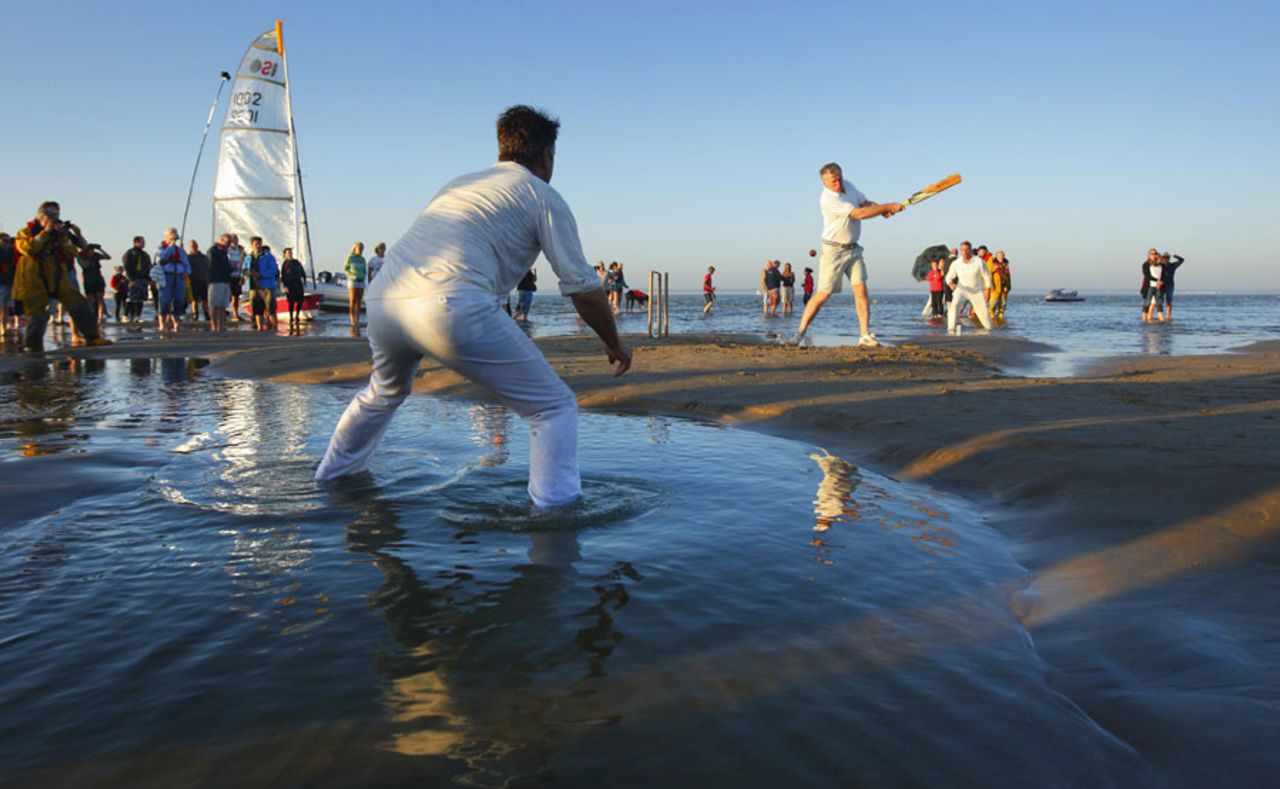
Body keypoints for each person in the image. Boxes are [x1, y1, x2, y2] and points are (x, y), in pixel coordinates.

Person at [315, 104, 632, 509]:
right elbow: (583, 287)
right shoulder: (542, 195)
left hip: (382, 301)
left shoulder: (459, 184)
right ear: (546, 155)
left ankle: (329, 480)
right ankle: (555, 520)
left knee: (383, 393)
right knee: (553, 408)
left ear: (502, 148)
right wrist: (614, 344)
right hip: (449, 304)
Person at [790, 162, 902, 348]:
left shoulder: (848, 186)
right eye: (833, 181)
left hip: (854, 249)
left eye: (839, 178)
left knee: (861, 290)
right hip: (833, 251)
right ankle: (799, 333)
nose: (838, 183)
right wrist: (886, 207)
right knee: (822, 294)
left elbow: (864, 204)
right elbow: (858, 214)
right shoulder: (828, 199)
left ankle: (864, 335)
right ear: (824, 183)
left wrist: (882, 209)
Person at [12, 201, 109, 351]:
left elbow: (72, 252)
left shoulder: (59, 235)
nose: (54, 218)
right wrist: (45, 233)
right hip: (33, 280)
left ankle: (93, 337)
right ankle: (33, 347)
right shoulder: (25, 233)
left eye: (56, 215)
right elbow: (29, 249)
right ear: (41, 217)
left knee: (79, 305)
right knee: (37, 315)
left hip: (58, 277)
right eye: (50, 215)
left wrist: (63, 236)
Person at [946, 241, 993, 333]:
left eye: (967, 249)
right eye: (962, 250)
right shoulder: (956, 263)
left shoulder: (979, 262)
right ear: (960, 251)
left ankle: (989, 331)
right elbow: (948, 277)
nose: (965, 252)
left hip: (977, 291)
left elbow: (987, 276)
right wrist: (951, 284)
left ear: (971, 250)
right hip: (961, 290)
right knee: (953, 308)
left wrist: (988, 290)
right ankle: (951, 330)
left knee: (984, 315)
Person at [154, 228, 190, 333]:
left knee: (179, 300)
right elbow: (161, 259)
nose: (174, 236)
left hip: (178, 276)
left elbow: (186, 263)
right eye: (172, 234)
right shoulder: (160, 248)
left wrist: (187, 272)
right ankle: (162, 323)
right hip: (166, 276)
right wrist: (171, 246)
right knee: (164, 300)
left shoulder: (180, 250)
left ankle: (176, 322)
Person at [77, 244, 110, 326]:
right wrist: (87, 256)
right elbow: (85, 265)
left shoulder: (96, 255)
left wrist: (100, 250)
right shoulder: (81, 256)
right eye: (91, 250)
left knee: (100, 299)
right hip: (88, 280)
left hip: (98, 279)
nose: (92, 251)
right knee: (90, 300)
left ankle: (100, 318)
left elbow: (108, 257)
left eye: (93, 250)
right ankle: (91, 317)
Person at [121, 235, 150, 323]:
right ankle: (125, 316)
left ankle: (138, 316)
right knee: (131, 298)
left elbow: (148, 266)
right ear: (136, 242)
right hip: (133, 278)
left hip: (143, 278)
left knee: (141, 298)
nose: (144, 243)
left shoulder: (145, 254)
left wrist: (149, 278)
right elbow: (126, 265)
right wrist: (130, 279)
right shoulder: (130, 252)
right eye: (142, 241)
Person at [208, 233, 233, 334]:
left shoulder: (224, 252)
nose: (229, 244)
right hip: (216, 281)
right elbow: (212, 266)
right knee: (215, 305)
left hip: (225, 280)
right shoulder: (213, 251)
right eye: (228, 242)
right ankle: (214, 326)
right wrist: (228, 267)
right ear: (221, 240)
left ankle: (221, 326)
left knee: (223, 306)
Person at [280, 246, 308, 329]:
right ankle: (291, 316)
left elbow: (302, 271)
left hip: (298, 283)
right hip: (289, 284)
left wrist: (304, 279)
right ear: (285, 255)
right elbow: (283, 276)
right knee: (291, 302)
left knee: (300, 300)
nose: (290, 254)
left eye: (290, 253)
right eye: (288, 253)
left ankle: (297, 316)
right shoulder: (285, 264)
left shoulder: (296, 262)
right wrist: (285, 286)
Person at [344, 242, 367, 327]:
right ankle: (352, 319)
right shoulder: (350, 258)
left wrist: (364, 277)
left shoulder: (362, 259)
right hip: (353, 281)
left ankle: (357, 319)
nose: (361, 250)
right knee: (353, 300)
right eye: (359, 248)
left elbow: (364, 270)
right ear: (355, 248)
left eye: (362, 248)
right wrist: (351, 274)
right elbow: (345, 268)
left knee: (359, 301)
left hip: (361, 281)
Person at [187, 239, 210, 322]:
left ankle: (206, 314)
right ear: (189, 247)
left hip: (203, 281)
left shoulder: (204, 257)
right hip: (193, 281)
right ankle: (195, 315)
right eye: (192, 246)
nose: (194, 247)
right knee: (194, 300)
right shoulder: (188, 258)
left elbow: (208, 268)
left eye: (195, 245)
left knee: (205, 299)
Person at [1141, 248, 1164, 322]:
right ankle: (1144, 320)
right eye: (1152, 254)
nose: (1153, 255)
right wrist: (1157, 281)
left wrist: (1161, 282)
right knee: (1147, 303)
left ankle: (1162, 320)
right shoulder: (1146, 264)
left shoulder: (1160, 265)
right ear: (1149, 255)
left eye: (1155, 254)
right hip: (1150, 286)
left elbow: (1163, 275)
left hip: (1158, 286)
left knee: (1159, 304)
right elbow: (1147, 276)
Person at [0, 233, 16, 337]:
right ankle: (2, 327)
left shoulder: (11, 250)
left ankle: (5, 326)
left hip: (9, 281)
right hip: (2, 282)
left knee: (6, 307)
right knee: (2, 306)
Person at [1160, 251, 1184, 320]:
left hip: (1170, 285)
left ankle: (1168, 316)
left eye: (1167, 257)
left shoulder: (1172, 265)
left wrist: (1174, 255)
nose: (1166, 259)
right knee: (1160, 301)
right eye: (1164, 257)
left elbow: (1182, 260)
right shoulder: (1160, 265)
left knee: (1169, 301)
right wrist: (1160, 258)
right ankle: (1160, 315)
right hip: (1161, 285)